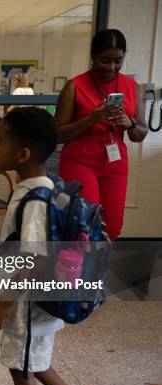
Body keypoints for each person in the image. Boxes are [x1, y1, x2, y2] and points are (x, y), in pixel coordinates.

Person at [0, 107, 98, 385]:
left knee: (20, 366)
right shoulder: (44, 187)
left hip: (27, 302)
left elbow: (35, 259)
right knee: (34, 356)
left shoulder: (34, 199)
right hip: (39, 299)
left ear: (22, 155)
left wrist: (3, 301)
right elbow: (29, 237)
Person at [55, 29, 147, 240]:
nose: (111, 67)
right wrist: (91, 120)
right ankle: (75, 272)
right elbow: (57, 134)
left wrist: (130, 122)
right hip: (80, 161)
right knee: (83, 224)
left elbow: (140, 133)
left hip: (115, 163)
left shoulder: (132, 87)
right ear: (93, 56)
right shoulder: (74, 87)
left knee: (112, 227)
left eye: (118, 60)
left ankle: (96, 269)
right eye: (105, 60)